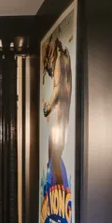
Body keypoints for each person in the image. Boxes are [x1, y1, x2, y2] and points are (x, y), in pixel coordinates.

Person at [42, 36, 72, 186]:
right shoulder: (64, 58)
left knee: (54, 160)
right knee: (53, 159)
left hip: (60, 121)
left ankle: (59, 188)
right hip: (60, 121)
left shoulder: (60, 60)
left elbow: (58, 88)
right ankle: (56, 188)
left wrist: (47, 107)